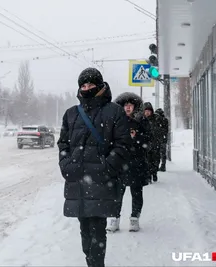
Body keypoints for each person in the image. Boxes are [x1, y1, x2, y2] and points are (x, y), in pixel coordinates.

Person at [57, 67, 131, 267]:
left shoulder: (114, 111)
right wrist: (66, 165)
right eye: (83, 85)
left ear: (99, 86)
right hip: (78, 181)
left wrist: (105, 168)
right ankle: (91, 262)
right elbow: (63, 144)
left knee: (97, 231)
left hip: (100, 181)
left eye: (90, 84)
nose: (86, 88)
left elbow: (123, 146)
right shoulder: (71, 114)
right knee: (84, 232)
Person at [107, 92, 152, 232]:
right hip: (119, 163)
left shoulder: (141, 122)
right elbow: (109, 140)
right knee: (116, 193)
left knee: (136, 193)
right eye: (125, 105)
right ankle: (114, 219)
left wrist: (137, 137)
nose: (128, 108)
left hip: (136, 163)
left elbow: (149, 141)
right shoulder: (116, 121)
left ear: (135, 106)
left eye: (130, 105)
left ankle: (134, 219)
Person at [143, 102, 162, 182]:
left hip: (155, 143)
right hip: (146, 144)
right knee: (147, 160)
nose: (147, 113)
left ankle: (154, 173)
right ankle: (148, 175)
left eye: (149, 111)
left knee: (156, 160)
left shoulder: (156, 119)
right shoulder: (142, 120)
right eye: (145, 111)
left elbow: (161, 130)